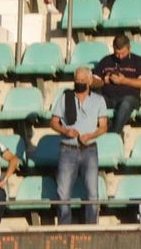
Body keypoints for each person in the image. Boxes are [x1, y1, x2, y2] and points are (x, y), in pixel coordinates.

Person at [50, 67, 106, 225]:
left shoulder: (98, 100)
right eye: (77, 80)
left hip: (89, 149)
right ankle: (64, 227)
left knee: (93, 193)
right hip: (68, 149)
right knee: (63, 192)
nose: (79, 83)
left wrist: (90, 135)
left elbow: (103, 126)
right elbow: (54, 122)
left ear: (89, 81)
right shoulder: (65, 98)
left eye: (82, 80)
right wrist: (65, 130)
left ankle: (91, 228)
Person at [90, 35, 141, 136]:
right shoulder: (106, 61)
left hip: (130, 98)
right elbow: (93, 81)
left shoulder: (138, 61)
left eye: (123, 53)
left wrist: (123, 80)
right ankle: (109, 128)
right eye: (117, 53)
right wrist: (104, 80)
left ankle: (113, 134)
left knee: (126, 103)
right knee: (93, 100)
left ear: (129, 49)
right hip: (108, 98)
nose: (120, 57)